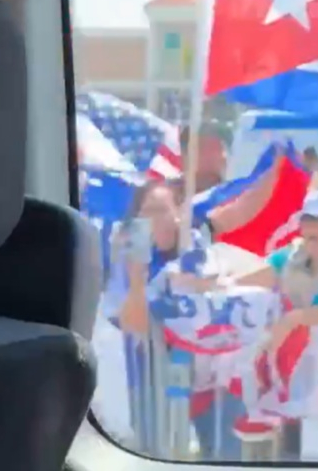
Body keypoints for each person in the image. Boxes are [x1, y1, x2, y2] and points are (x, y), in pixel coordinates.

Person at [232, 188, 318, 459]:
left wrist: (293, 320)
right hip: (297, 376)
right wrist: (214, 283)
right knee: (293, 451)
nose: (312, 227)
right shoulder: (289, 256)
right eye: (308, 220)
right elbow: (252, 277)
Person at [111, 179, 245, 460]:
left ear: (178, 213)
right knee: (157, 456)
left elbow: (216, 291)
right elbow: (133, 323)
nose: (153, 220)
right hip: (154, 384)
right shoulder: (126, 260)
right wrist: (138, 276)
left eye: (161, 210)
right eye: (146, 212)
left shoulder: (197, 245)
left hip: (211, 381)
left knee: (223, 456)